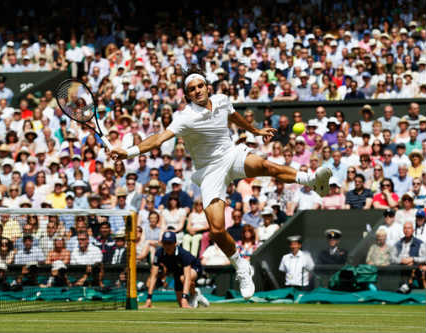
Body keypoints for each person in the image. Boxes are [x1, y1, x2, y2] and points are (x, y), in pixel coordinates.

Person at [111, 68, 331, 299]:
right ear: (187, 95)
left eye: (200, 86)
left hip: (231, 155)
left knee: (266, 166)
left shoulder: (222, 100)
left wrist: (254, 130)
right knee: (216, 230)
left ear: (207, 86)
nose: (197, 91)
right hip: (209, 172)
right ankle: (241, 266)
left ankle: (311, 180)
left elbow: (233, 116)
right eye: (192, 89)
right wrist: (127, 152)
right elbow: (158, 138)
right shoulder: (185, 117)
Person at [143, 231, 209, 309]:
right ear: (161, 243)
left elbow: (187, 277)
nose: (167, 246)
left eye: (169, 243)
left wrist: (184, 298)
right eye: (165, 243)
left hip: (195, 267)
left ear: (175, 243)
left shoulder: (183, 254)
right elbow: (153, 276)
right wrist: (149, 299)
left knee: (183, 279)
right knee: (181, 305)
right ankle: (195, 294)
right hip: (178, 272)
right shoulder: (159, 253)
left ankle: (194, 294)